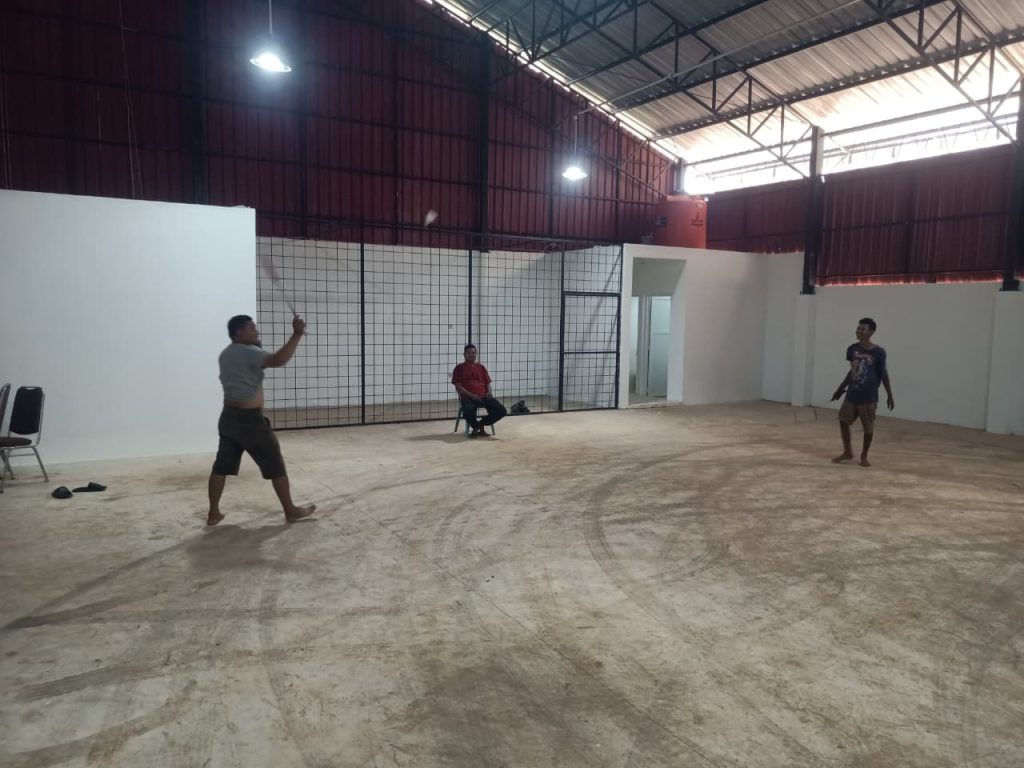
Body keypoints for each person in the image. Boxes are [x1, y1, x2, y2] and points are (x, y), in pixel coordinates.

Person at [207, 314, 316, 525]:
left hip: (228, 418)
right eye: (251, 328)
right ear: (238, 332)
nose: (256, 331)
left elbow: (253, 367)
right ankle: (290, 510)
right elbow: (278, 360)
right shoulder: (248, 352)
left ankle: (213, 513)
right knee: (275, 464)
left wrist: (258, 345)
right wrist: (296, 334)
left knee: (221, 467)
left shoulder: (226, 354)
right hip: (250, 421)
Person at [830, 317, 895, 467]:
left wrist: (890, 395)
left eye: (862, 329)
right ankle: (847, 452)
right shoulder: (852, 349)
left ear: (871, 332)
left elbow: (883, 374)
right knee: (843, 421)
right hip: (852, 395)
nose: (858, 331)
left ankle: (864, 455)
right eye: (858, 328)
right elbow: (852, 371)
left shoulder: (879, 352)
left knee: (868, 428)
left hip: (868, 397)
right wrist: (839, 389)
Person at [451, 344, 507, 438]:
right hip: (468, 397)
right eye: (468, 353)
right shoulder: (459, 368)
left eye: (473, 353)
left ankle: (481, 424)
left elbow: (488, 383)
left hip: (484, 396)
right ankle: (476, 426)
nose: (471, 355)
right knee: (468, 411)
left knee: (501, 411)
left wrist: (489, 392)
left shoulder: (481, 367)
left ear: (476, 354)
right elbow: (458, 387)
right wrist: (472, 395)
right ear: (464, 355)